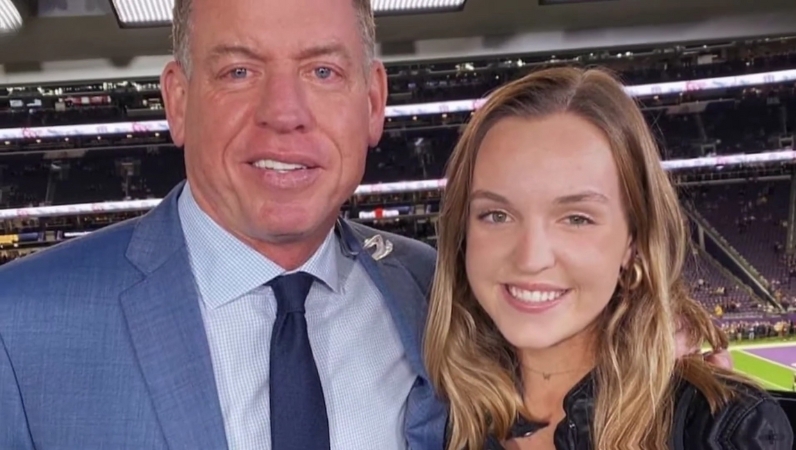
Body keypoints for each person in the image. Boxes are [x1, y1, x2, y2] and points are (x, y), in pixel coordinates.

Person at [0, 2, 731, 450]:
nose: (283, 113)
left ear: (374, 100)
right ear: (178, 98)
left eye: (323, 72)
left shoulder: (431, 291)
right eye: (237, 72)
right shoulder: (21, 326)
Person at [423, 67, 793, 450]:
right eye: (496, 215)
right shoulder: (432, 408)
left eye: (576, 218)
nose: (531, 258)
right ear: (463, 232)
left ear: (634, 238)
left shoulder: (720, 431)